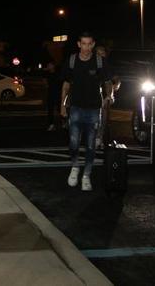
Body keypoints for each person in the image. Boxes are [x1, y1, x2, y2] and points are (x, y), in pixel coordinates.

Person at [60, 32, 113, 191]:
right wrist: (62, 106)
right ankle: (75, 167)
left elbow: (108, 81)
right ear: (79, 44)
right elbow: (65, 85)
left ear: (93, 44)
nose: (86, 47)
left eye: (89, 44)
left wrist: (108, 95)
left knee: (91, 145)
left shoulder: (99, 61)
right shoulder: (71, 61)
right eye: (83, 44)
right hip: (75, 108)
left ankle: (86, 175)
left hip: (93, 110)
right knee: (74, 142)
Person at [94, 45, 121, 148]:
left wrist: (114, 88)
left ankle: (99, 138)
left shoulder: (108, 66)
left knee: (103, 116)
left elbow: (116, 80)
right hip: (92, 94)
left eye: (102, 53)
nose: (100, 56)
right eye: (98, 53)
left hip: (105, 94)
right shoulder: (90, 64)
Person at [45, 61, 62, 131]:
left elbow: (61, 84)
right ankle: (51, 124)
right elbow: (46, 84)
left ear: (53, 66)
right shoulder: (47, 74)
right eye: (48, 65)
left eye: (49, 65)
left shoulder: (58, 74)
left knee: (59, 110)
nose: (48, 66)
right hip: (50, 94)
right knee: (50, 110)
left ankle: (62, 122)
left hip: (57, 94)